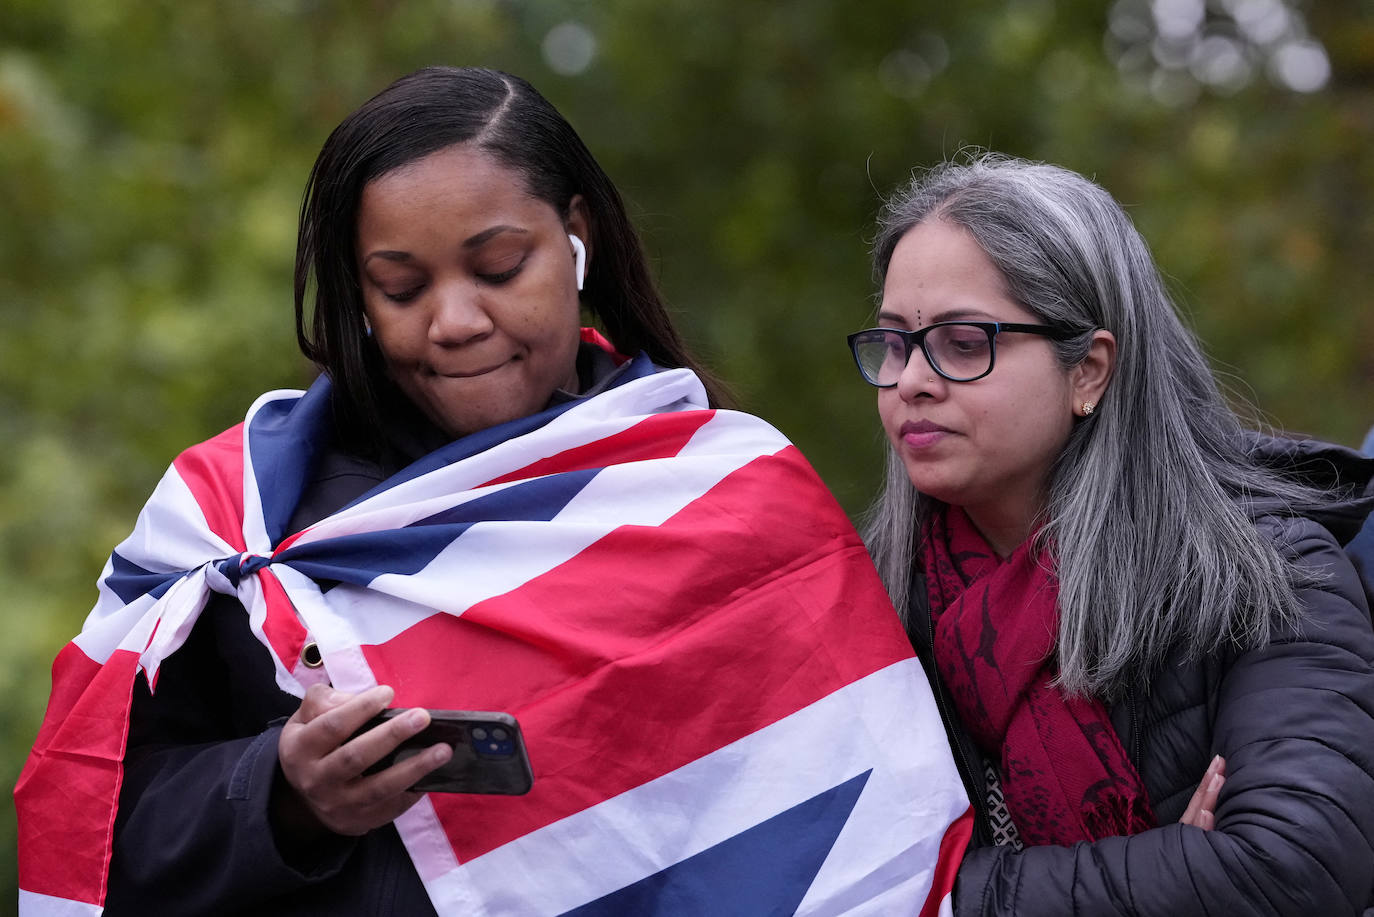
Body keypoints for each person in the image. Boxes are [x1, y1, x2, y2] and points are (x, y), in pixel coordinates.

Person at [16, 67, 970, 915]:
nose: (457, 321)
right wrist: (283, 796)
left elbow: (865, 808)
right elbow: (93, 822)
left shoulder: (727, 488)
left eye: (499, 266)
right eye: (401, 286)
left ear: (576, 238)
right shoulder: (239, 526)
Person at [846, 153, 1374, 914]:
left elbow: (1291, 868)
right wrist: (1177, 873)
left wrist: (948, 895)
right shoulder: (866, 612)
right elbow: (806, 879)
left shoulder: (1269, 569)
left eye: (964, 343)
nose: (911, 381)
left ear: (1089, 371)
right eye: (895, 343)